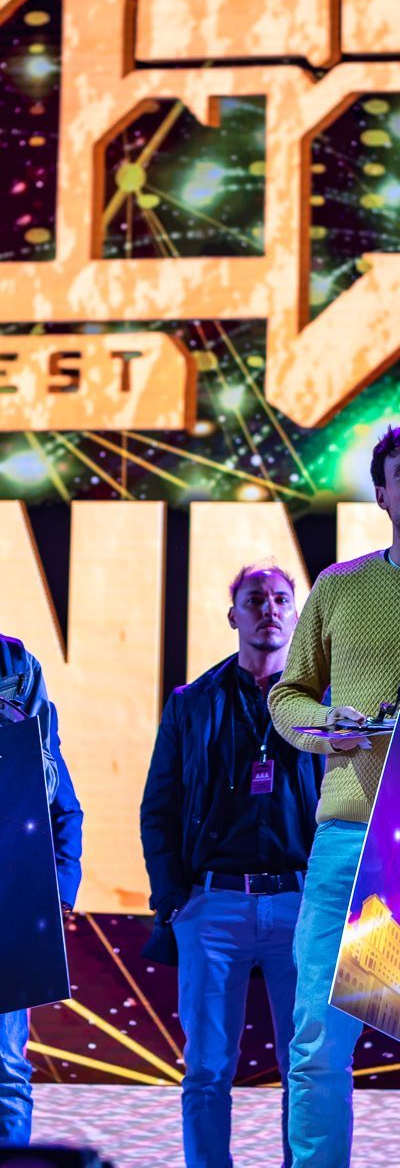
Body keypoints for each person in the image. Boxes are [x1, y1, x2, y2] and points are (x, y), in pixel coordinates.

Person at [141, 564, 324, 1168]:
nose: (269, 609)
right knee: (207, 1069)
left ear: (296, 615)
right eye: (255, 599)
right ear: (233, 615)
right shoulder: (192, 703)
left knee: (306, 1066)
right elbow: (159, 806)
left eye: (281, 600)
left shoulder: (324, 704)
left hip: (300, 905)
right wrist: (175, 898)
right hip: (213, 905)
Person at [269, 422, 400, 1168]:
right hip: (354, 844)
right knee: (318, 1044)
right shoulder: (339, 586)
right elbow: (288, 695)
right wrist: (329, 726)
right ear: (382, 493)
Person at [0, 633, 83, 1147]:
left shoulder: (15, 663)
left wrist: (60, 894)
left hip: (8, 905)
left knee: (5, 1072)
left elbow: (61, 802)